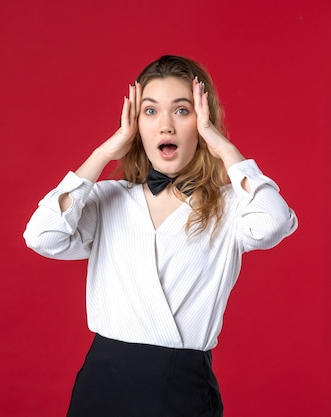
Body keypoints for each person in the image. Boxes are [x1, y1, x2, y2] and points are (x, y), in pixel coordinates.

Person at [23, 55, 297, 417]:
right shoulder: (108, 198)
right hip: (102, 385)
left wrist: (223, 148)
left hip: (181, 389)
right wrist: (103, 153)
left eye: (182, 111)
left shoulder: (230, 206)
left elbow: (275, 222)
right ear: (136, 124)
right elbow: (42, 236)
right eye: (150, 112)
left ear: (202, 121)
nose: (165, 126)